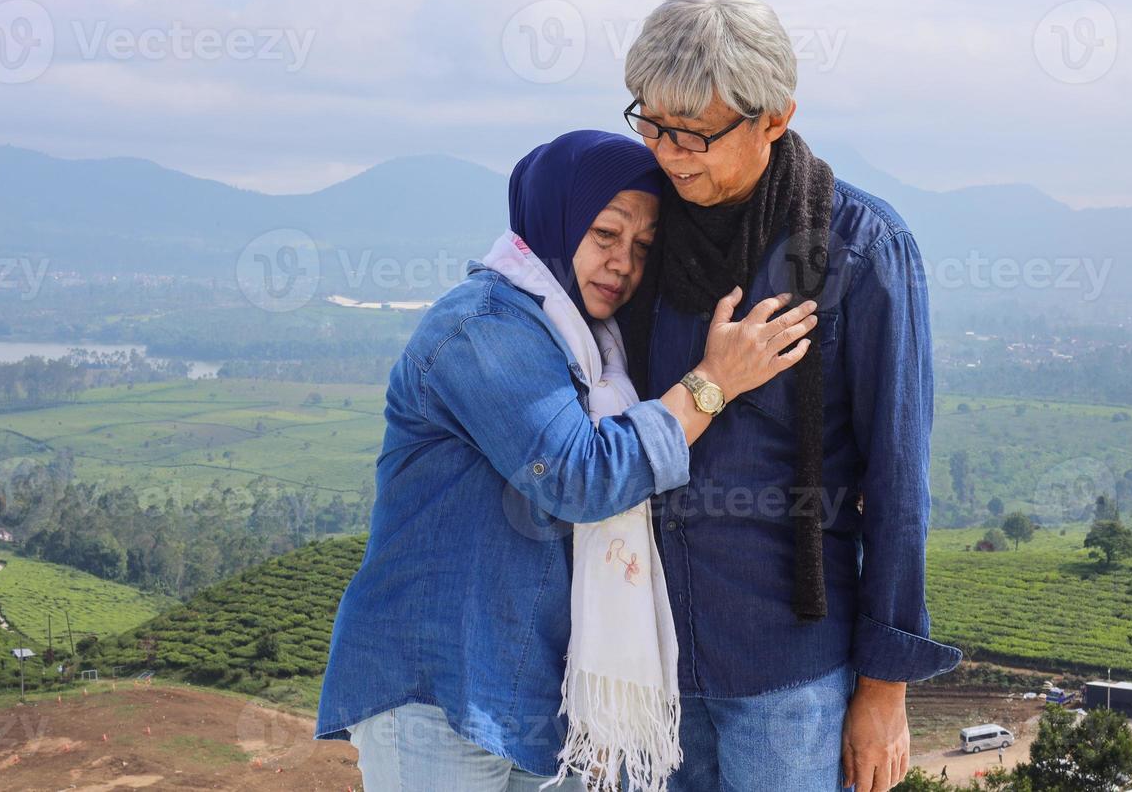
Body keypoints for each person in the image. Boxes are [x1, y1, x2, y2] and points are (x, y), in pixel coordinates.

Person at [315, 129, 818, 792]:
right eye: (605, 234)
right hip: (440, 684)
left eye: (642, 246)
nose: (623, 263)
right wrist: (711, 384)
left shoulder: (592, 348)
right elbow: (581, 477)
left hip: (542, 697)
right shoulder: (485, 326)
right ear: (555, 219)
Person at [616, 0, 965, 792]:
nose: (670, 154)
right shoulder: (639, 233)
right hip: (645, 664)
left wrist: (884, 692)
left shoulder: (859, 249)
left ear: (774, 117)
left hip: (789, 674)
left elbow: (898, 486)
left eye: (696, 133)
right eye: (651, 123)